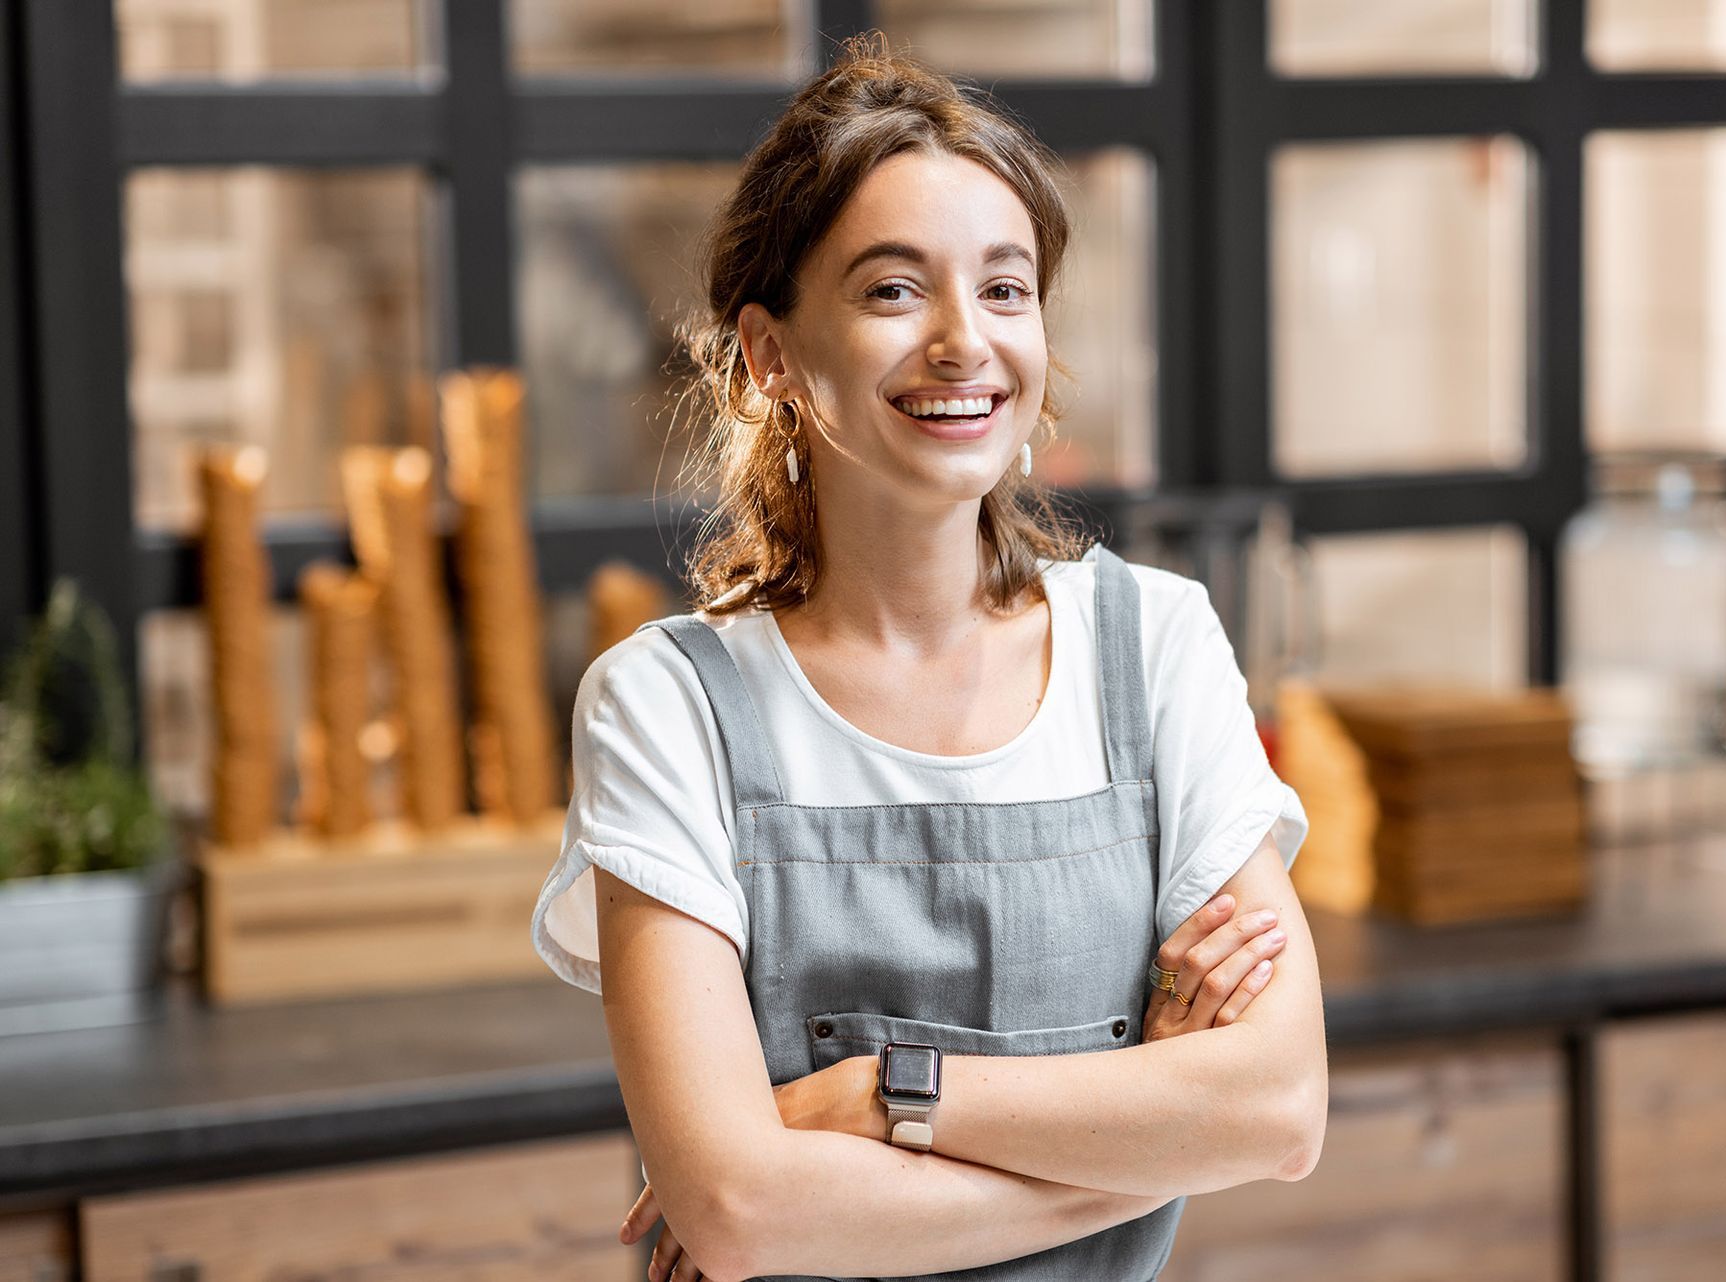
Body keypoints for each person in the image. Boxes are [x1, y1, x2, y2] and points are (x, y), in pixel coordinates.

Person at [530, 33, 1325, 1282]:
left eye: (1005, 290)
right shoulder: (669, 706)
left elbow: (1279, 1106)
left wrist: (872, 1098)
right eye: (894, 290)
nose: (966, 340)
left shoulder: (1157, 646)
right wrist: (1152, 1133)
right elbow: (737, 1205)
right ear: (773, 355)